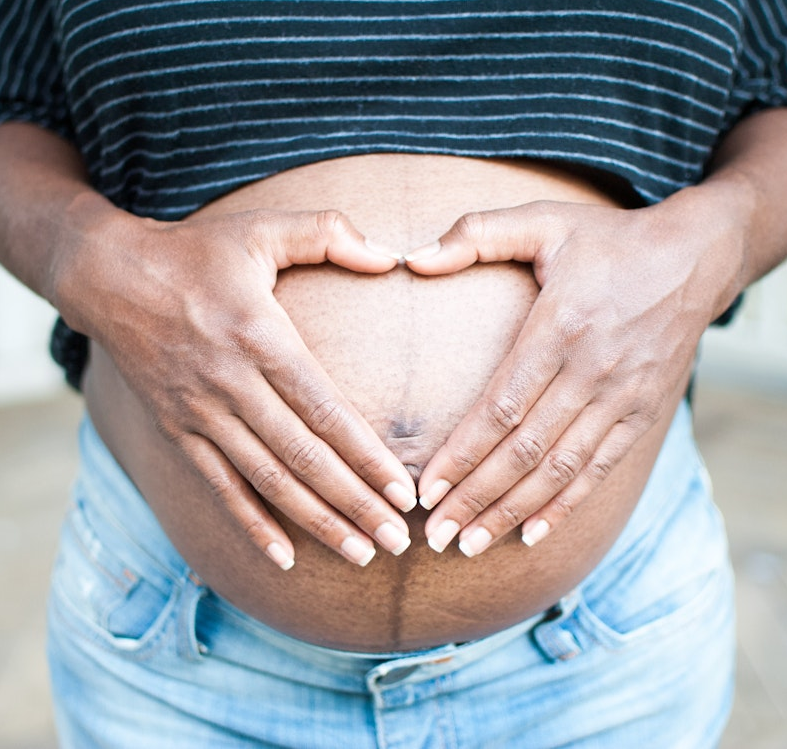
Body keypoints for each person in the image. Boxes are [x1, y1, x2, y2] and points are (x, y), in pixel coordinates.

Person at [1, 1, 786, 746]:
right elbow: (16, 108)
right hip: (179, 649)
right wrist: (83, 253)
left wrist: (725, 235)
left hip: (600, 638)